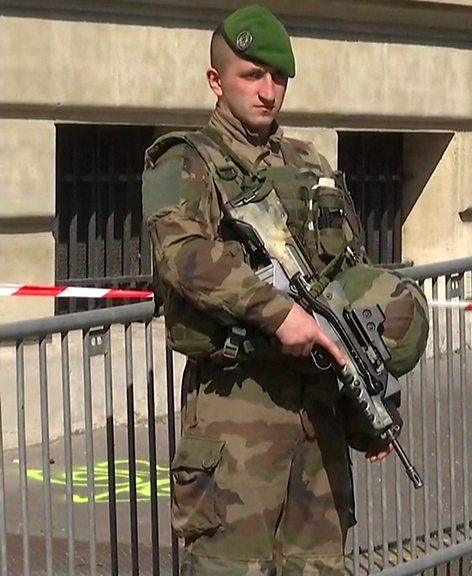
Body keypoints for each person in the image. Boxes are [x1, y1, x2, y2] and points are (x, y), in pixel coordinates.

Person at [142, 5, 428, 574]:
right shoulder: (186, 161)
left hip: (316, 414)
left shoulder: (307, 162)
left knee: (320, 565)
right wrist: (276, 314)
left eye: (278, 78)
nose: (268, 91)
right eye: (253, 75)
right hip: (237, 410)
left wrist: (363, 405)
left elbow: (344, 279)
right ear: (216, 81)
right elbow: (184, 256)